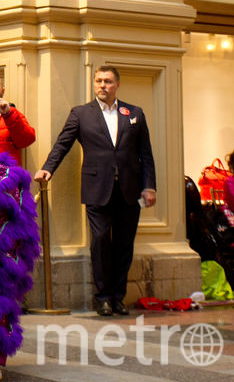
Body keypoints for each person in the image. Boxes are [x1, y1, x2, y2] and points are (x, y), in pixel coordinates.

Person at [35, 65, 156, 317]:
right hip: (96, 188)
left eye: (108, 81)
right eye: (98, 81)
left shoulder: (134, 113)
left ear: (117, 85)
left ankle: (118, 297)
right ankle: (102, 297)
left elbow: (146, 154)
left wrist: (149, 186)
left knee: (124, 245)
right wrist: (48, 168)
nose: (102, 85)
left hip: (129, 190)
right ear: (94, 83)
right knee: (100, 242)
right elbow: (62, 144)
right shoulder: (81, 114)